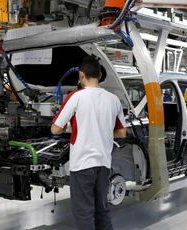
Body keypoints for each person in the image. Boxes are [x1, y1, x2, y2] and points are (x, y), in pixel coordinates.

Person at [51, 56, 127, 230]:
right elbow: (122, 132)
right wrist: (102, 130)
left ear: (81, 75)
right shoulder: (113, 99)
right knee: (102, 210)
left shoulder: (75, 97)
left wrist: (70, 128)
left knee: (84, 212)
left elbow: (55, 129)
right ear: (100, 75)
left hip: (82, 164)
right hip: (103, 163)